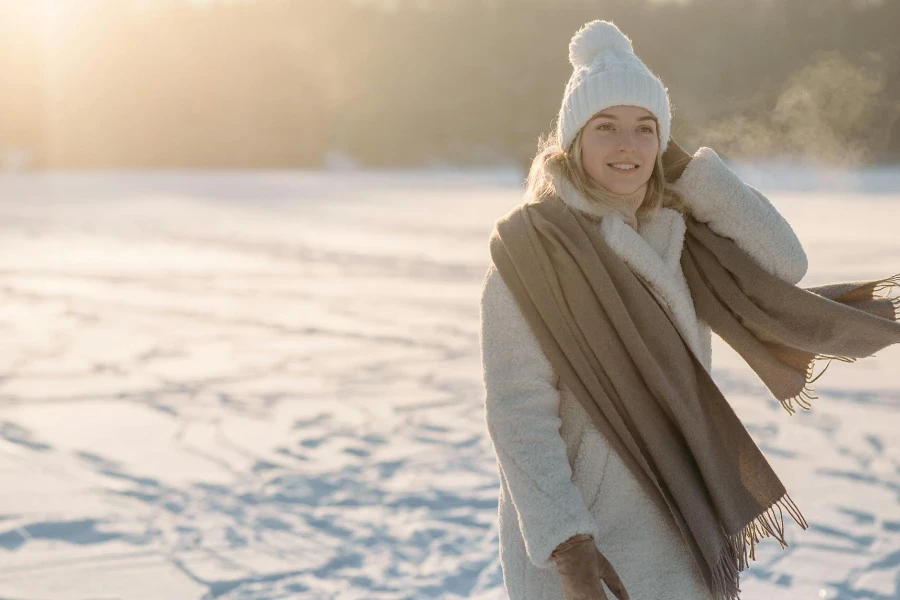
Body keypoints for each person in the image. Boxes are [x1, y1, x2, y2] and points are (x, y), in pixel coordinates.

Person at [479, 20, 809, 600]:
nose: (626, 144)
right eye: (605, 127)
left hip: (681, 524)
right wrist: (569, 544)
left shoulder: (678, 235)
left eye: (644, 129)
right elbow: (518, 413)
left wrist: (687, 170)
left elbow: (785, 263)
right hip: (588, 548)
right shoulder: (531, 254)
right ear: (573, 139)